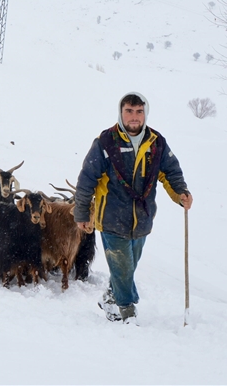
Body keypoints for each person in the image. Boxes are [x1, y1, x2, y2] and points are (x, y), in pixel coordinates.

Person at [73, 92, 193, 325]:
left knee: (128, 266)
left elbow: (171, 172)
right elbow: (87, 179)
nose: (134, 117)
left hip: (142, 219)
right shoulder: (105, 142)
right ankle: (126, 310)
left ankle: (110, 296)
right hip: (110, 218)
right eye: (129, 111)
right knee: (123, 266)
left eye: (139, 111)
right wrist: (82, 213)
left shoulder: (156, 143)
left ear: (145, 113)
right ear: (121, 113)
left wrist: (181, 194)